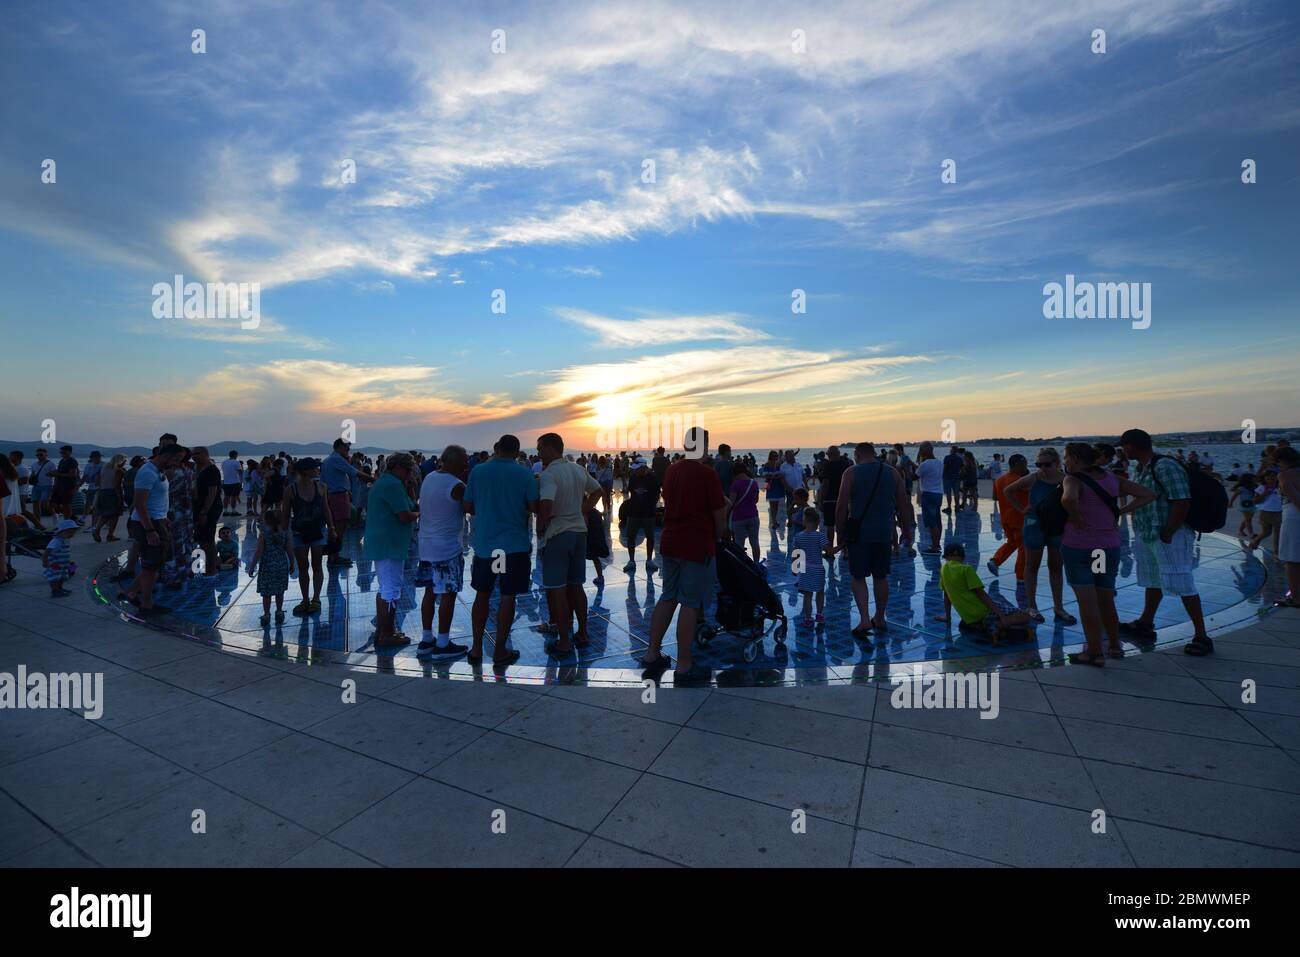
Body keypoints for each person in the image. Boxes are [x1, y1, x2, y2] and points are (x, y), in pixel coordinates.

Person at [639, 427, 725, 686]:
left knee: (668, 596)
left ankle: (652, 653)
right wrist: (717, 537)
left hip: (670, 541)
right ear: (704, 445)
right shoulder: (707, 475)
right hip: (695, 544)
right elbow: (719, 514)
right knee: (689, 602)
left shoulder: (672, 470)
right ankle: (684, 665)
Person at [1118, 428, 1213, 656]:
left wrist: (1169, 531)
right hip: (1150, 533)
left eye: (1124, 446)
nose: (1123, 451)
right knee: (1154, 579)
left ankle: (1202, 635)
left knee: (1182, 580)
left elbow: (1182, 500)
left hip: (1169, 534)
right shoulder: (1144, 467)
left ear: (1131, 446)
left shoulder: (1165, 466)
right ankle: (1145, 622)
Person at [1059, 442, 1155, 666]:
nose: (1065, 462)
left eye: (1066, 458)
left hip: (1080, 548)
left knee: (1087, 602)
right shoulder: (1112, 479)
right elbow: (1147, 494)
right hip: (1106, 548)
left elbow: (1068, 498)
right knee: (1105, 599)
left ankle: (1094, 652)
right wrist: (1120, 511)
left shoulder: (1072, 479)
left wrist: (1076, 517)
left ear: (1074, 458)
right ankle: (1114, 646)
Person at [463, 434, 538, 666]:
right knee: (507, 596)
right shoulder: (524, 474)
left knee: (482, 594)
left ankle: (476, 648)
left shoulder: (478, 472)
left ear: (496, 448)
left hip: (487, 546)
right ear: (517, 453)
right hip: (513, 547)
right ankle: (500, 651)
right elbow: (534, 507)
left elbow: (468, 506)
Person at [835, 442, 915, 642]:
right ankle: (879, 617)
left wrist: (840, 531)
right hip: (883, 534)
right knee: (881, 576)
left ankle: (864, 619)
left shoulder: (851, 473)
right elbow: (904, 503)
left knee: (858, 576)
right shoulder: (893, 473)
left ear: (857, 454)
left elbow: (842, 504)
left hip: (859, 534)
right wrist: (907, 529)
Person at [536, 432, 602, 657]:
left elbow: (546, 504)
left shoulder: (549, 474)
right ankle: (583, 633)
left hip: (558, 534)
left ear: (551, 449)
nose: (538, 453)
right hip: (579, 534)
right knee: (576, 585)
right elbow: (598, 491)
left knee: (557, 589)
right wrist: (582, 511)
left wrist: (541, 526)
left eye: (540, 448)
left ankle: (564, 641)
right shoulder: (577, 469)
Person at [1006, 447, 1076, 624]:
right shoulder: (1034, 478)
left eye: (1047, 464)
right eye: (1038, 464)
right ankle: (1032, 606)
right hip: (1034, 525)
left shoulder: (1066, 480)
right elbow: (1008, 490)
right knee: (1032, 566)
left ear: (1057, 464)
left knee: (1055, 566)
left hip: (1056, 526)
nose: (1043, 468)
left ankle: (1058, 606)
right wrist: (1022, 509)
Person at [415, 444, 470, 658]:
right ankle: (444, 644)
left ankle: (427, 640)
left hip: (426, 547)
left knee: (430, 592)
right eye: (464, 461)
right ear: (455, 462)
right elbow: (471, 508)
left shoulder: (429, 477)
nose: (467, 465)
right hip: (446, 549)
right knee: (448, 595)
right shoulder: (457, 485)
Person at [119, 443, 183, 615]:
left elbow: (156, 499)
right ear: (165, 455)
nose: (177, 463)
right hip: (148, 524)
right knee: (150, 566)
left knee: (156, 564)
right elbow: (139, 504)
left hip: (158, 521)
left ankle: (131, 592)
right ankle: (146, 605)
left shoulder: (158, 471)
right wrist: (149, 530)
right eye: (176, 459)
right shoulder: (147, 472)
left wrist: (164, 518)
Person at [363, 451, 418, 648]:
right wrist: (421, 513)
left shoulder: (388, 482)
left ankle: (383, 630)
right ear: (398, 467)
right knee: (391, 589)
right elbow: (404, 514)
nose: (410, 473)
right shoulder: (392, 485)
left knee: (386, 587)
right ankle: (387, 633)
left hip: (385, 543)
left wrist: (410, 487)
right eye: (408, 469)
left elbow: (409, 504)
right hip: (389, 543)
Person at [935, 542, 1034, 641]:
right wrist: (1001, 615)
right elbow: (982, 595)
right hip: (984, 611)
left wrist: (947, 616)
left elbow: (946, 595)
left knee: (981, 619)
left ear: (946, 557)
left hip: (969, 618)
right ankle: (998, 624)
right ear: (963, 557)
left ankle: (986, 625)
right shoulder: (965, 569)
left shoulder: (943, 570)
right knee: (1027, 615)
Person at [285, 458, 336, 616]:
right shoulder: (290, 490)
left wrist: (332, 528)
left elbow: (325, 509)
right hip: (299, 532)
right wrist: (283, 535)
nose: (318, 470)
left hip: (318, 530)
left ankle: (316, 598)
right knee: (302, 567)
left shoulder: (321, 487)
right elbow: (285, 514)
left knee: (317, 564)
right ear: (305, 470)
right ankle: (305, 598)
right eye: (315, 468)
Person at [322, 437, 367, 569]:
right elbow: (355, 473)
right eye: (347, 448)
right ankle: (334, 556)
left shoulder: (329, 460)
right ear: (339, 447)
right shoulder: (336, 459)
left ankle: (333, 555)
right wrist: (374, 479)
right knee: (340, 526)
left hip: (334, 495)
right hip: (337, 496)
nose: (348, 450)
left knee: (337, 527)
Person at [987, 454, 1029, 581]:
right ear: (1018, 464)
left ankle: (995, 561)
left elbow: (994, 497)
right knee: (1023, 547)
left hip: (1005, 518)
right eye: (1024, 465)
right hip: (1019, 518)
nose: (1026, 467)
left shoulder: (1000, 480)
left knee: (1012, 543)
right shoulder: (1019, 480)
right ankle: (1021, 576)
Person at [250, 507, 294, 626]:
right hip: (281, 565)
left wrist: (252, 566)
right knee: (280, 591)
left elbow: (259, 551)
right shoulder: (285, 533)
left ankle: (266, 614)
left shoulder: (264, 535)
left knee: (267, 593)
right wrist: (292, 563)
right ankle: (279, 612)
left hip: (267, 566)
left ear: (266, 521)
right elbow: (290, 550)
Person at [792, 506, 833, 624]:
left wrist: (794, 569)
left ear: (804, 521)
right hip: (818, 569)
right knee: (820, 592)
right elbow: (829, 551)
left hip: (805, 569)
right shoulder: (820, 536)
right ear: (817, 522)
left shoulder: (798, 536)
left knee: (807, 595)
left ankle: (808, 618)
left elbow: (795, 554)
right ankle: (819, 614)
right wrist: (842, 545)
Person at [1273, 447, 1300, 608]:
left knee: (1292, 560)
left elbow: (1295, 499)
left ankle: (1296, 598)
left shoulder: (1284, 475)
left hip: (1293, 517)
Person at [623, 456, 660, 572]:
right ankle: (631, 561)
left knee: (650, 537)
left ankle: (649, 560)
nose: (635, 471)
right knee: (630, 537)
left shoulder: (652, 479)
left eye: (638, 469)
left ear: (644, 468)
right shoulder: (633, 477)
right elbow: (630, 491)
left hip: (648, 513)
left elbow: (657, 494)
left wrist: (651, 506)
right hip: (633, 512)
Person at [192, 446, 223, 575]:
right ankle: (206, 567)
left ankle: (211, 569)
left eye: (196, 454)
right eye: (192, 454)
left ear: (205, 454)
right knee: (201, 539)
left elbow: (212, 493)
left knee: (207, 540)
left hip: (209, 508)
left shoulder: (212, 470)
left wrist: (204, 512)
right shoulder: (199, 469)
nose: (193, 456)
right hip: (200, 507)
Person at [817, 445, 851, 551]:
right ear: (838, 453)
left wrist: (821, 500)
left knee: (830, 525)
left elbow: (825, 484)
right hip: (843, 498)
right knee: (843, 525)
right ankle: (845, 550)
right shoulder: (846, 465)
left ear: (829, 454)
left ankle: (830, 550)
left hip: (830, 499)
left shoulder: (828, 466)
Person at [727, 461, 762, 562]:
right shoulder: (753, 483)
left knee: (739, 544)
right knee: (755, 542)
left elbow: (731, 502)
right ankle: (756, 564)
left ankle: (742, 565)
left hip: (739, 517)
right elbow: (756, 500)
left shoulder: (735, 484)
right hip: (753, 515)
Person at [914, 441, 944, 554]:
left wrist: (905, 470)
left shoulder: (925, 464)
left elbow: (914, 477)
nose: (920, 452)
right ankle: (936, 543)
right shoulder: (940, 462)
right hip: (938, 494)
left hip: (928, 494)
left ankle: (935, 546)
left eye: (921, 450)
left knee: (931, 522)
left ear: (925, 451)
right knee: (937, 519)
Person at [1247, 471, 1283, 555]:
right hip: (1265, 512)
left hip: (1278, 512)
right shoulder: (1262, 487)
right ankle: (1254, 542)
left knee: (1278, 532)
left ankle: (1276, 552)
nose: (1271, 478)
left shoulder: (1280, 487)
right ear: (1264, 478)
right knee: (1266, 532)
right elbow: (1255, 501)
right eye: (1268, 476)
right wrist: (1264, 494)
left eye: (1273, 476)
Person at [92, 453, 125, 542]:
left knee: (105, 514)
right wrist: (119, 497)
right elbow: (116, 485)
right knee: (115, 514)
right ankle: (110, 534)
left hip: (102, 491)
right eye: (124, 461)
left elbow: (97, 481)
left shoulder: (104, 468)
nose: (125, 463)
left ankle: (97, 529)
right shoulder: (119, 471)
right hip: (112, 493)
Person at [43, 518, 80, 597]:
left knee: (62, 576)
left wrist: (69, 562)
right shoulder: (56, 541)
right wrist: (45, 561)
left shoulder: (65, 539)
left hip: (63, 563)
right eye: (69, 533)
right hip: (55, 563)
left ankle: (60, 588)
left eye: (73, 533)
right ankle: (55, 590)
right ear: (61, 532)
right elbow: (47, 551)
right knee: (55, 577)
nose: (71, 535)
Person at [51, 445, 79, 521]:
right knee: (53, 503)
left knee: (66, 504)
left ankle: (68, 521)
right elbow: (59, 473)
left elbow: (73, 474)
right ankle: (71, 517)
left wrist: (75, 487)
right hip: (59, 486)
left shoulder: (72, 461)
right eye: (61, 452)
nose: (62, 454)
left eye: (64, 452)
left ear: (70, 452)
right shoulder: (62, 461)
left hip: (68, 486)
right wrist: (55, 483)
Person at [29, 448, 54, 518]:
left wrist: (51, 474)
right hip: (36, 486)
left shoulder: (50, 464)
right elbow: (33, 474)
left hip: (47, 485)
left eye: (41, 455)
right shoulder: (34, 464)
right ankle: (37, 522)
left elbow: (55, 473)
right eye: (37, 455)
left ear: (46, 455)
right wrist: (30, 480)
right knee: (35, 504)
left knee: (44, 504)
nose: (39, 456)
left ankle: (54, 514)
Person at [220, 450, 243, 515]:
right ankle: (233, 511)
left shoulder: (224, 462)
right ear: (235, 455)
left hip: (226, 482)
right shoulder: (236, 462)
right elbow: (240, 472)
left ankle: (225, 511)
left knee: (226, 496)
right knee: (234, 496)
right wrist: (241, 481)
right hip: (235, 481)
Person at [941, 446, 963, 514]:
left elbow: (945, 467)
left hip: (947, 477)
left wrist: (942, 475)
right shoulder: (959, 458)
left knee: (948, 493)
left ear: (951, 450)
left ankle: (949, 507)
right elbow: (962, 468)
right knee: (956, 493)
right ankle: (957, 506)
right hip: (956, 477)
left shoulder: (947, 457)